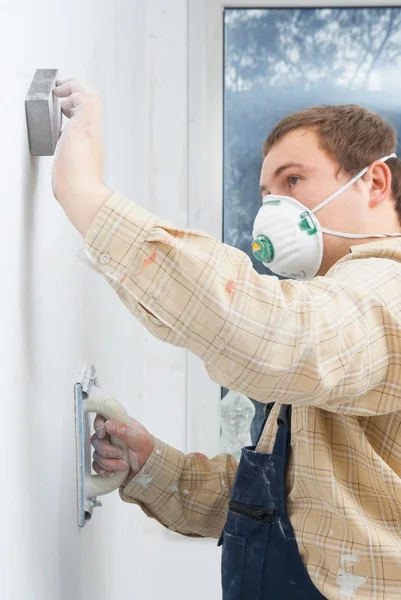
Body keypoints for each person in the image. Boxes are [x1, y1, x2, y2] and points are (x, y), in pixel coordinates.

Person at [52, 79, 401, 600]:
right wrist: (150, 465)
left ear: (374, 181)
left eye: (294, 180)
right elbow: (286, 503)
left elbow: (267, 332)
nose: (274, 209)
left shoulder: (384, 292)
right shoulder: (333, 308)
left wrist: (83, 193)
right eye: (266, 194)